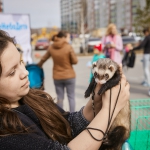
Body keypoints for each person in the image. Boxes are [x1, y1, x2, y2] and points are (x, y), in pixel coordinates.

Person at [0, 30, 130, 150]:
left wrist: (95, 101)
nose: (25, 72)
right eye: (12, 72)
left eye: (21, 62)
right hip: (69, 75)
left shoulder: (33, 97)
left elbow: (67, 125)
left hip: (57, 76)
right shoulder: (6, 135)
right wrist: (109, 110)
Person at [38, 31, 77, 112]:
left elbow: (43, 58)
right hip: (69, 76)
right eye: (68, 37)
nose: (68, 39)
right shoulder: (68, 47)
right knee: (71, 97)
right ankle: (73, 116)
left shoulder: (51, 47)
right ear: (63, 37)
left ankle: (61, 117)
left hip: (57, 76)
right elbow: (75, 61)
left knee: (60, 97)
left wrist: (38, 65)